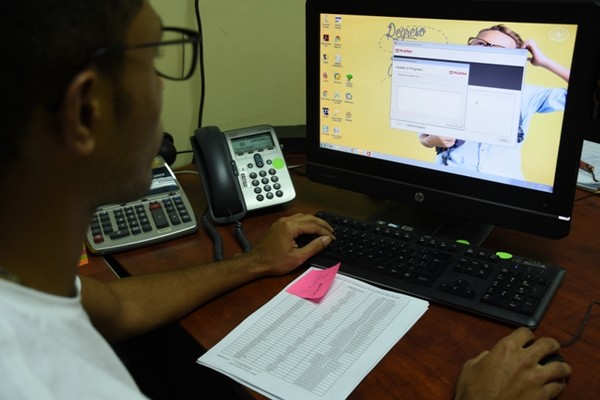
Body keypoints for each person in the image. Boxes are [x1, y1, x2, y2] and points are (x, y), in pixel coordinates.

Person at [0, 1, 570, 399]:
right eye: (151, 64)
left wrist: (253, 263)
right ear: (86, 113)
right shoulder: (43, 381)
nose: (162, 87)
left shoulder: (28, 283)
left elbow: (115, 307)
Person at [419, 24, 570, 181]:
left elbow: (581, 94)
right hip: (449, 179)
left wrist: (545, 62)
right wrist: (429, 140)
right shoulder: (444, 85)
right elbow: (424, 134)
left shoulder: (527, 94)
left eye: (499, 49)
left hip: (504, 185)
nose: (486, 51)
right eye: (480, 44)